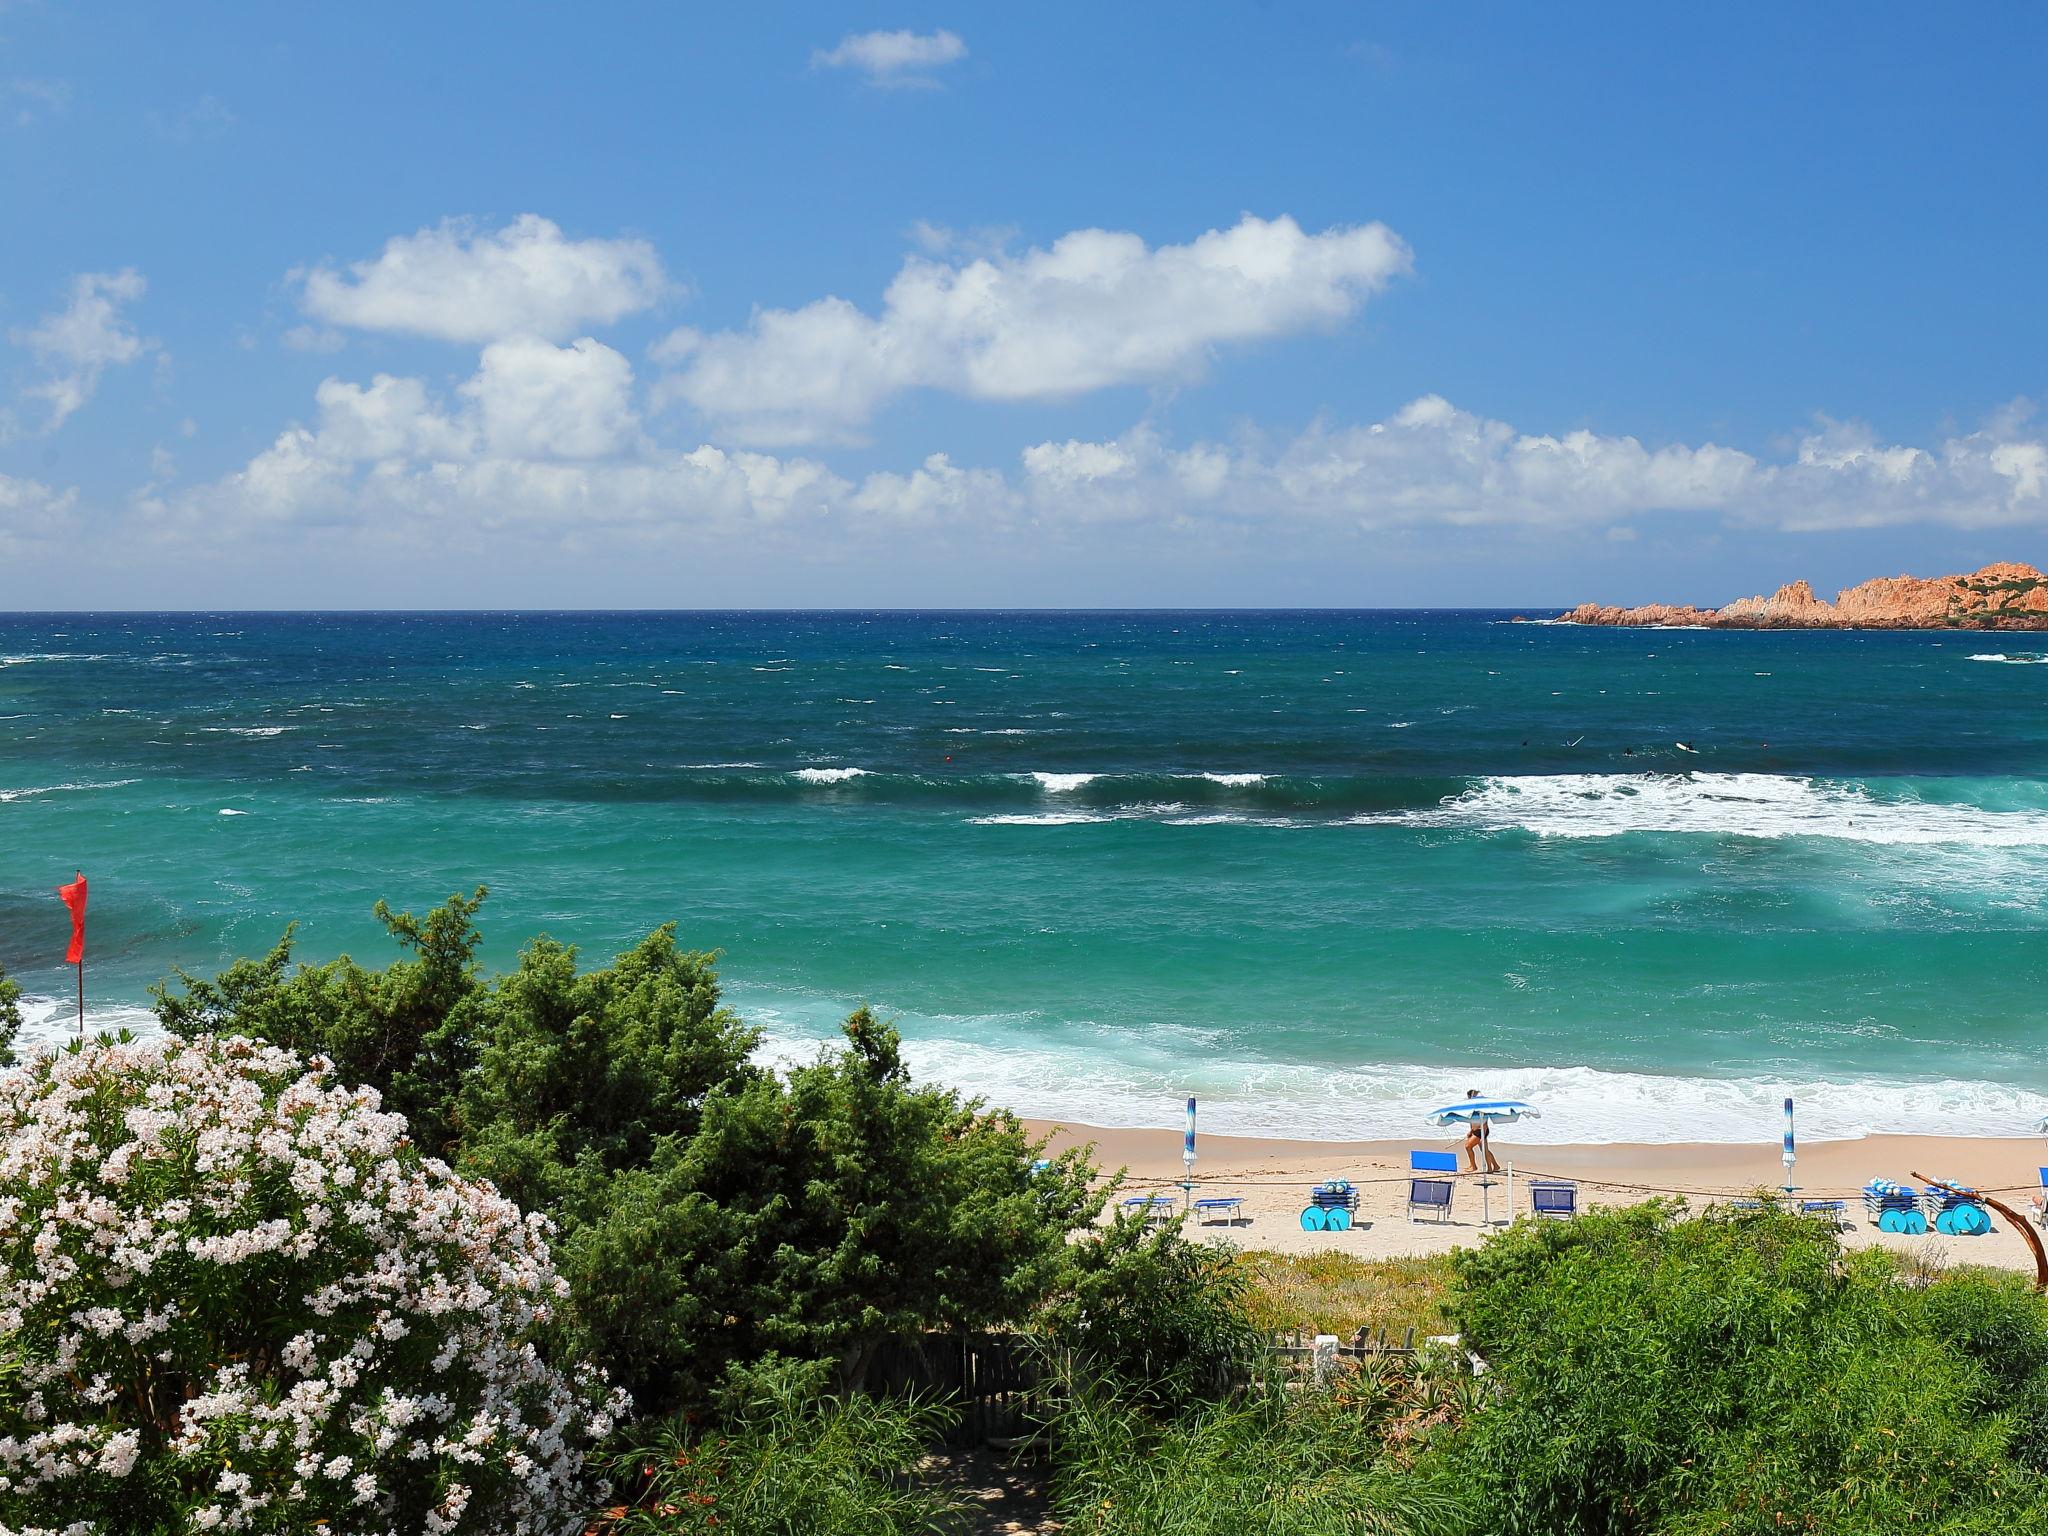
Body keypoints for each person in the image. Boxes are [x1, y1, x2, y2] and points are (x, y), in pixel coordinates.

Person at [1461, 1088, 1501, 1174]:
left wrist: (1483, 1134)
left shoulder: (1480, 1106)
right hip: (1477, 1131)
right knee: (1484, 1149)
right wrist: (1471, 1131)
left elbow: (1484, 1121)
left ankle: (1473, 1166)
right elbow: (1473, 1121)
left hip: (1481, 1130)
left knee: (1468, 1146)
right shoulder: (1473, 1106)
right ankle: (1495, 1166)